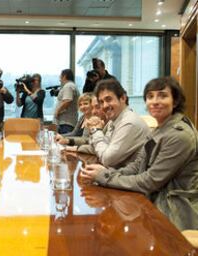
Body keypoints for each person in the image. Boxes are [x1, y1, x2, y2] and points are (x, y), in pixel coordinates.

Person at [81, 77, 198, 231]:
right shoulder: (159, 129)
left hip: (174, 211)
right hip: (153, 199)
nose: (155, 101)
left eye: (162, 96)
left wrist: (104, 177)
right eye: (150, 97)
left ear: (175, 101)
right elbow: (137, 166)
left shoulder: (179, 136)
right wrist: (103, 174)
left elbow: (150, 181)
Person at [77, 79, 150, 168]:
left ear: (123, 98)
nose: (105, 106)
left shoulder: (129, 122)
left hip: (128, 177)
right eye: (101, 102)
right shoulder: (113, 120)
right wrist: (94, 130)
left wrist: (96, 130)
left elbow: (107, 160)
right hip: (116, 173)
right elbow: (98, 147)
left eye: (108, 99)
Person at [53, 69, 80, 134]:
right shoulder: (70, 86)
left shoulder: (68, 86)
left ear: (64, 76)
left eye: (60, 76)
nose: (59, 78)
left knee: (64, 142)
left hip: (66, 122)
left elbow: (67, 101)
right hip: (66, 122)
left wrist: (57, 112)